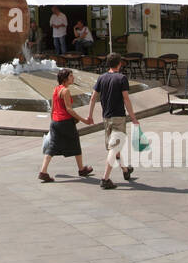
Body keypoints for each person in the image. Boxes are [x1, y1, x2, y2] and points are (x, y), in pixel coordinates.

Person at [83, 53, 139, 189]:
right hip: (118, 117)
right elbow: (126, 99)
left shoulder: (101, 78)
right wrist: (133, 117)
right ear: (119, 64)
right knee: (114, 148)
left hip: (106, 118)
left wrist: (89, 116)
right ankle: (105, 178)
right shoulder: (121, 78)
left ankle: (125, 170)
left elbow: (92, 98)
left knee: (115, 146)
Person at [37, 68, 94, 182]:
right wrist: (84, 120)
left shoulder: (56, 89)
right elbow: (69, 110)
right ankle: (81, 169)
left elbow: (52, 108)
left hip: (55, 122)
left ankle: (43, 171)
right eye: (71, 76)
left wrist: (53, 121)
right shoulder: (65, 91)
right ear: (65, 79)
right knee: (75, 143)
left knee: (52, 146)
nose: (73, 78)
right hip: (65, 122)